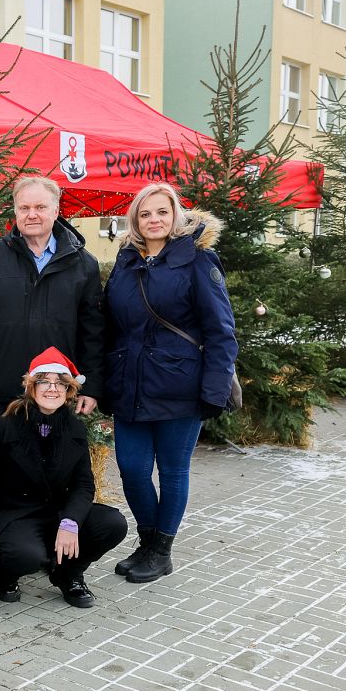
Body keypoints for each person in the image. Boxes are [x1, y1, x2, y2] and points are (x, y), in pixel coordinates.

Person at [103, 182, 237, 583]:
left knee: (173, 471)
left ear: (176, 216)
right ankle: (147, 540)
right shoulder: (126, 262)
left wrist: (214, 389)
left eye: (162, 212)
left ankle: (161, 550)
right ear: (135, 221)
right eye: (145, 214)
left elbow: (221, 332)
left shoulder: (198, 261)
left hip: (181, 385)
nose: (154, 220)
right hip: (130, 384)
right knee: (131, 468)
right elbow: (111, 326)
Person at [0, 348, 127, 607]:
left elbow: (83, 484)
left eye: (60, 384)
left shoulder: (74, 428)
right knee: (26, 556)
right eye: (44, 381)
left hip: (57, 510)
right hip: (17, 513)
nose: (52, 389)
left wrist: (71, 521)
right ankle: (6, 576)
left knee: (113, 523)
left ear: (69, 391)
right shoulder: (5, 425)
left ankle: (68, 574)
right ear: (31, 387)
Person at [0, 176, 105, 421]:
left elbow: (93, 333)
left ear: (56, 210)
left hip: (56, 392)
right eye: (24, 208)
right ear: (15, 211)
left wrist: (91, 387)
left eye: (40, 207)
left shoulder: (83, 264)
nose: (32, 215)